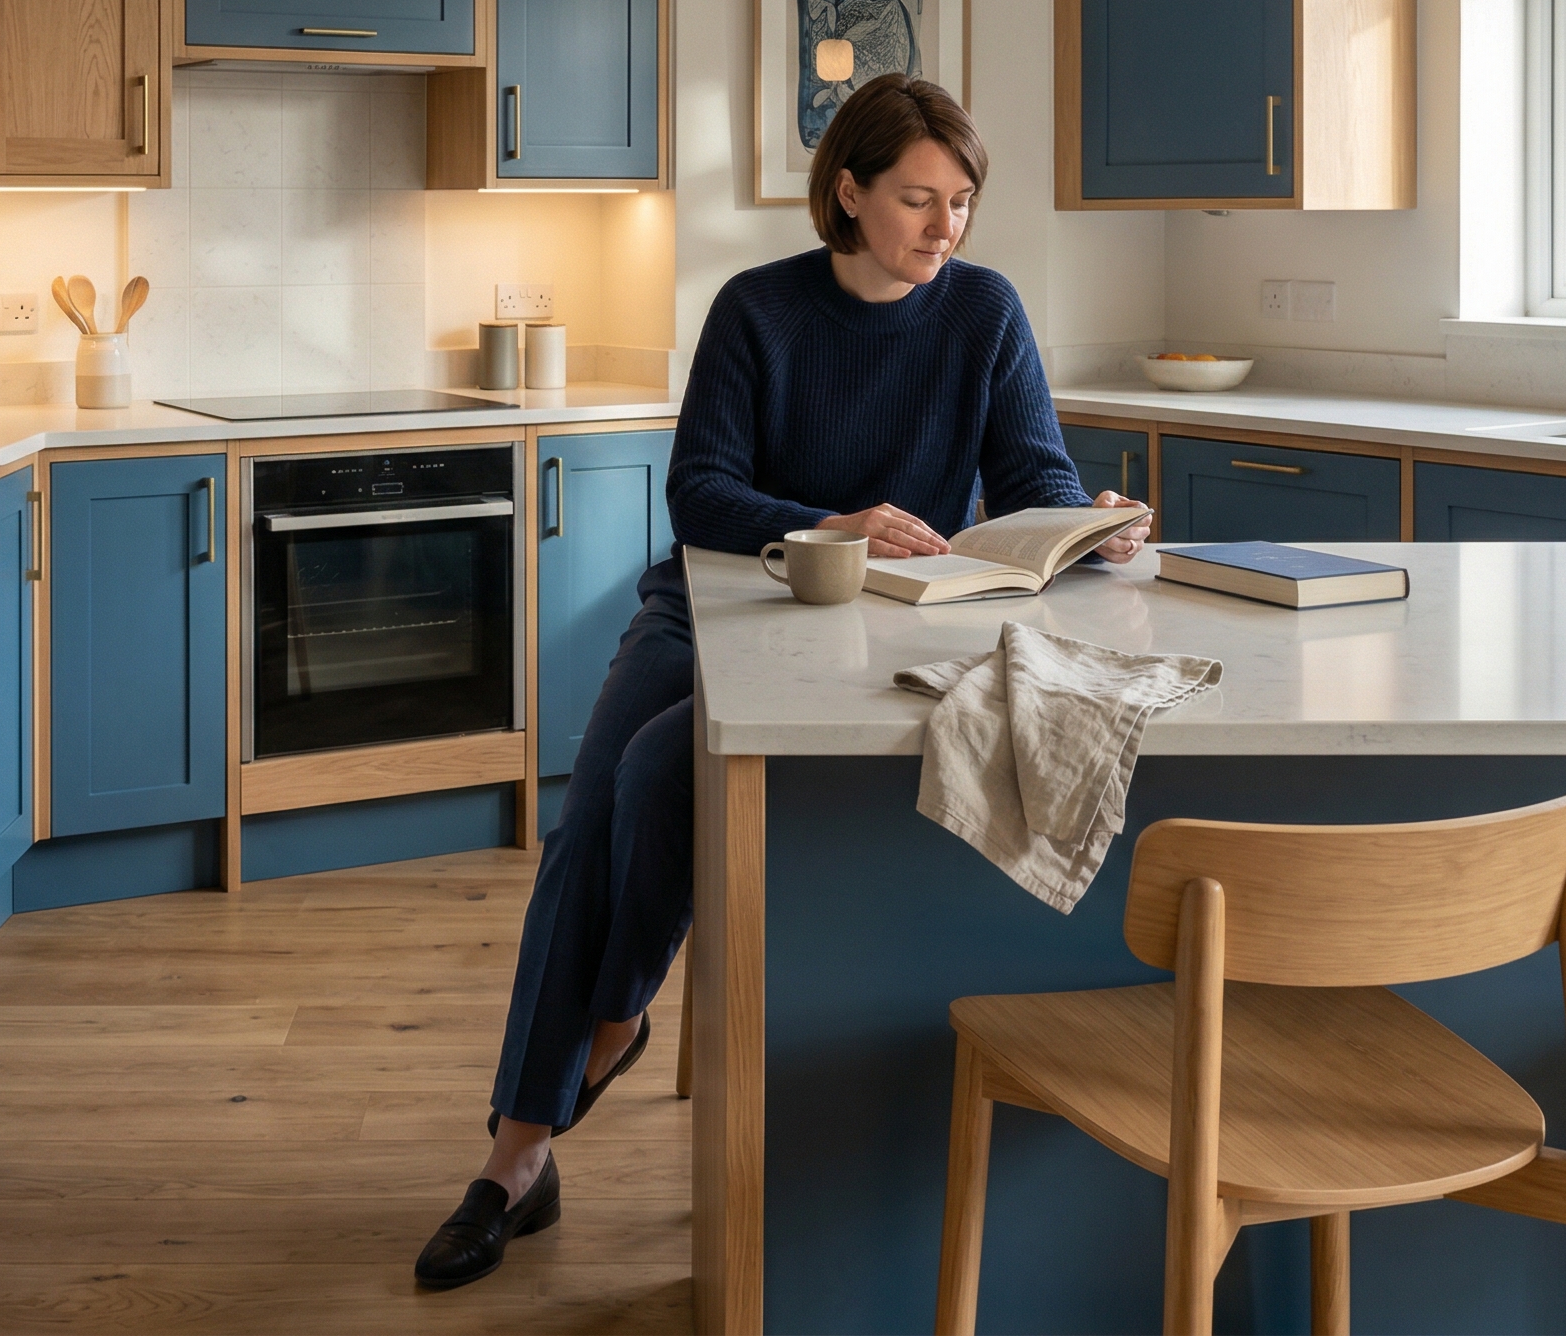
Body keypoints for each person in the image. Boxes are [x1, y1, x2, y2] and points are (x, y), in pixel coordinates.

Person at [413, 73, 1152, 1289]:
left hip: (891, 625)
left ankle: (608, 1023)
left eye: (959, 202)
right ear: (847, 190)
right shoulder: (756, 309)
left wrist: (1091, 525)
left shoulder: (984, 313)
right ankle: (513, 1158)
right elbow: (698, 489)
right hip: (717, 599)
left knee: (663, 775)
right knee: (588, 814)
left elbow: (1030, 474)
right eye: (917, 198)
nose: (942, 227)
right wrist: (832, 518)